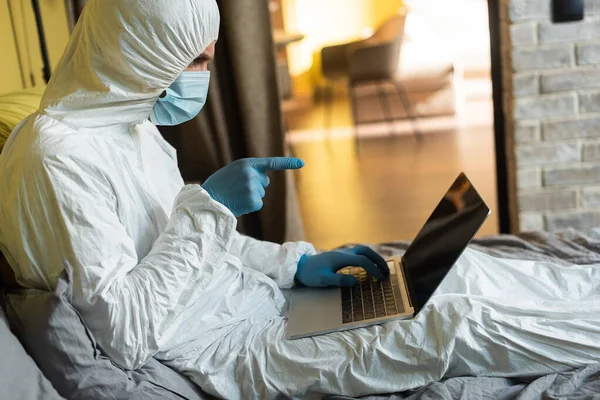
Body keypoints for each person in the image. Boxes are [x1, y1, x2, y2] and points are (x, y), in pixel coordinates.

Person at [1, 1, 600, 399]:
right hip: (230, 348)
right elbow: (125, 334)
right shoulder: (57, 161)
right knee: (454, 325)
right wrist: (208, 209)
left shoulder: (129, 126)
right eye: (198, 61)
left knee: (454, 270)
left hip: (264, 302)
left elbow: (201, 249)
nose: (203, 77)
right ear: (141, 54)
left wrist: (296, 265)